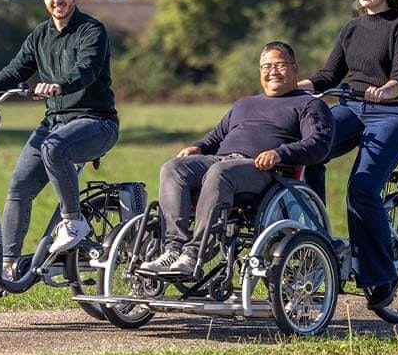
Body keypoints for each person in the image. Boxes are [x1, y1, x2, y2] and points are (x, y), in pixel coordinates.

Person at [297, 0, 398, 311]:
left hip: (396, 113)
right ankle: (316, 239)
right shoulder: (352, 28)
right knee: (308, 150)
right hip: (353, 108)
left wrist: (387, 90)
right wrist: (291, 89)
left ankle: (380, 276)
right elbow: (328, 76)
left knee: (362, 187)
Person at [0, 0, 119, 286]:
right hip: (55, 122)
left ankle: (74, 221)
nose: (58, 0)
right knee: (18, 187)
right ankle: (8, 267)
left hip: (96, 121)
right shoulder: (40, 35)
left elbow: (87, 70)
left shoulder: (92, 31)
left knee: (55, 147)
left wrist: (58, 85)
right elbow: (16, 69)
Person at [140, 41, 334, 277]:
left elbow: (318, 143)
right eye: (266, 66)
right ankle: (173, 248)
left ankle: (194, 253)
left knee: (220, 173)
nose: (272, 71)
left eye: (280, 65)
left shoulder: (309, 104)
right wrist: (198, 147)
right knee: (173, 168)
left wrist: (279, 153)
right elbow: (216, 137)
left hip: (265, 172)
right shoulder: (245, 103)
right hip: (222, 162)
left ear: (295, 68)